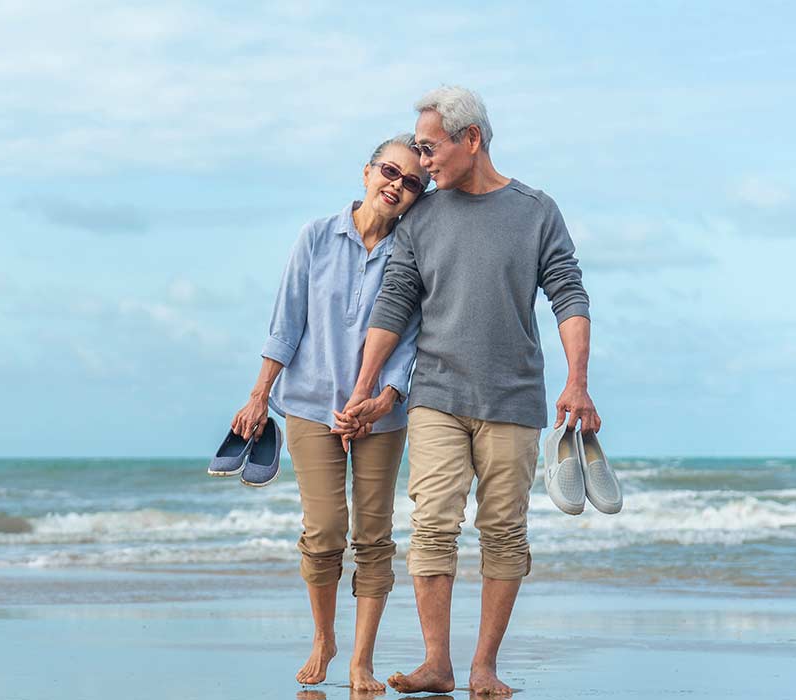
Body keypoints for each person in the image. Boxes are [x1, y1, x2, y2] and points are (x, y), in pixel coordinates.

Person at [336, 86, 598, 697]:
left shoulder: (536, 210)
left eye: (430, 149)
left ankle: (483, 667)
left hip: (513, 400)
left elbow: (568, 295)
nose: (424, 162)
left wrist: (578, 382)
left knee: (504, 531)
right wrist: (365, 387)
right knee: (432, 526)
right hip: (436, 394)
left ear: (471, 139)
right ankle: (438, 665)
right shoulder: (421, 218)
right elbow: (395, 300)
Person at [229, 135, 428, 692]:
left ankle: (361, 659)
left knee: (374, 535)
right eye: (391, 171)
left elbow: (411, 339)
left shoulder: (412, 254)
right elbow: (286, 323)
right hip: (310, 408)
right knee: (323, 531)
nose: (398, 185)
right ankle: (323, 637)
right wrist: (258, 395)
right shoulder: (315, 236)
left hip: (380, 417)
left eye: (413, 182)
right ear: (366, 172)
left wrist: (386, 398)